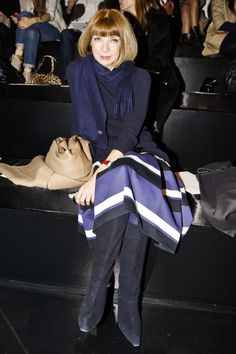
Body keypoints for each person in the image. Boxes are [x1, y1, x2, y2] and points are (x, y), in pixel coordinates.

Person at [67, 9, 192, 347]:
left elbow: (130, 134)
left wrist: (99, 172)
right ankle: (125, 303)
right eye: (97, 37)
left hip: (138, 152)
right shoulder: (78, 71)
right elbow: (83, 128)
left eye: (113, 38)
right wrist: (96, 165)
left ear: (126, 42)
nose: (104, 47)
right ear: (88, 39)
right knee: (131, 202)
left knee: (125, 174)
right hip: (100, 154)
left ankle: (100, 296)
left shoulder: (140, 77)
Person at [119, 0, 180, 133]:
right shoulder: (121, 21)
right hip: (129, 80)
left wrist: (126, 67)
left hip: (157, 81)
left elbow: (158, 61)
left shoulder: (158, 20)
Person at [59, 0, 120, 83]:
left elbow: (113, 18)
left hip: (97, 30)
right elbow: (65, 19)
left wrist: (94, 25)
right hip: (78, 30)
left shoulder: (107, 2)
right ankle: (66, 78)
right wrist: (69, 8)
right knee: (65, 34)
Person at [10, 0, 66, 84]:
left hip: (52, 30)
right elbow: (25, 22)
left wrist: (32, 20)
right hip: (33, 32)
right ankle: (27, 73)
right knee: (30, 31)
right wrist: (18, 21)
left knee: (24, 15)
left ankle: (17, 58)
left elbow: (50, 15)